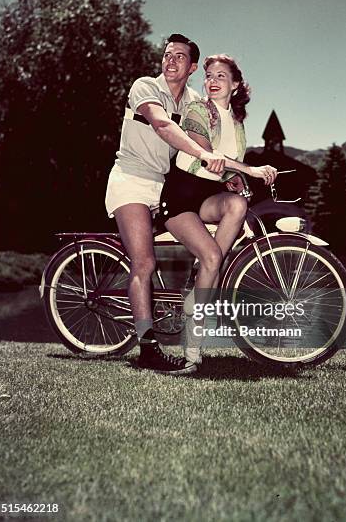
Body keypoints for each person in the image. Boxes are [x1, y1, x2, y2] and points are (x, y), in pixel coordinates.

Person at [105, 34, 226, 375]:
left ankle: (190, 296)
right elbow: (161, 125)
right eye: (166, 54)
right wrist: (204, 153)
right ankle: (147, 349)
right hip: (130, 179)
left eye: (179, 56)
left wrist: (226, 168)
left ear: (192, 67)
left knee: (206, 232)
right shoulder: (144, 86)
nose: (170, 60)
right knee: (144, 262)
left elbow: (208, 134)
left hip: (163, 186)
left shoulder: (193, 101)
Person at [159, 54, 278, 365]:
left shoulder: (237, 123)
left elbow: (224, 166)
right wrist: (249, 170)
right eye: (209, 75)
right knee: (213, 257)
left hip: (208, 196)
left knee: (238, 205)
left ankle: (202, 274)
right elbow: (206, 153)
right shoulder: (197, 110)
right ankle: (191, 353)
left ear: (235, 84)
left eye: (220, 76)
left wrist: (234, 179)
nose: (212, 80)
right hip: (180, 199)